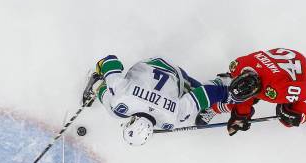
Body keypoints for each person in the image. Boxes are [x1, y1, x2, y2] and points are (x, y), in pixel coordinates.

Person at [88, 55, 229, 145]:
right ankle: (97, 86)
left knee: (195, 101)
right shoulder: (122, 99)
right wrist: (102, 68)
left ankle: (221, 84)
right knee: (114, 107)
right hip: (152, 64)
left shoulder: (172, 118)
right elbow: (111, 60)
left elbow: (205, 93)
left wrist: (226, 95)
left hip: (176, 73)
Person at [195, 48, 306, 135]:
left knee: (288, 120)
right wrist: (240, 115)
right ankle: (215, 108)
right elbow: (243, 96)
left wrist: (295, 112)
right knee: (231, 96)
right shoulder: (237, 65)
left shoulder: (276, 90)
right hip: (285, 63)